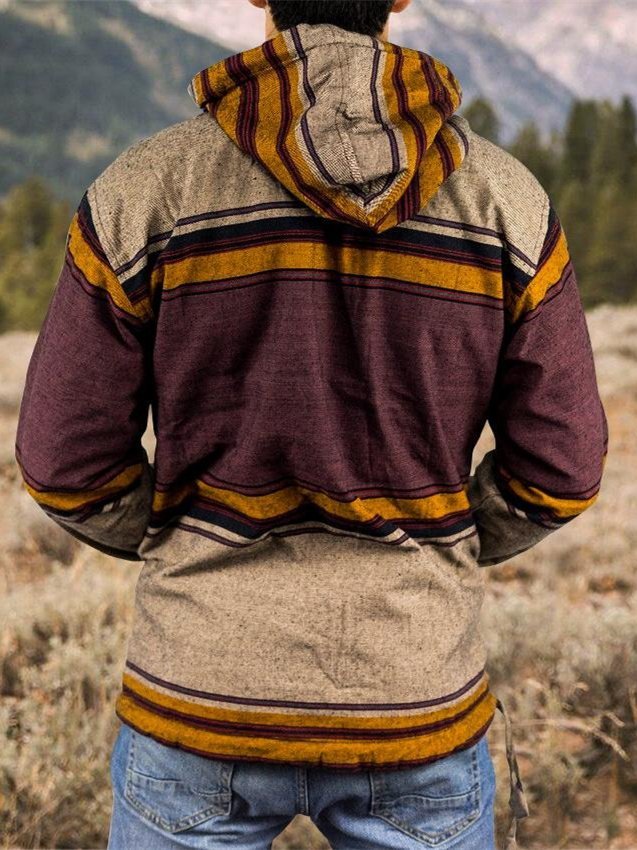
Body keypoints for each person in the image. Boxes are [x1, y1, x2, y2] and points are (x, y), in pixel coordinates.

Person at [14, 0, 608, 847]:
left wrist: (174, 536)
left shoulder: (148, 186)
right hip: (412, 694)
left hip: (199, 689)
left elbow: (59, 458)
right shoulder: (504, 200)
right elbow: (564, 464)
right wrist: (443, 540)